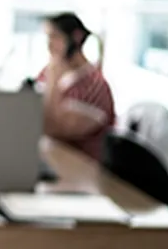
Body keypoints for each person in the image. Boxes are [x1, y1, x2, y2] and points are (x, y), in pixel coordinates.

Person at [36, 12, 115, 161]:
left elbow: (53, 129)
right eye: (48, 37)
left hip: (82, 170)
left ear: (76, 37)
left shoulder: (95, 86)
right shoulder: (45, 73)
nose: (49, 45)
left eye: (55, 37)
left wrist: (53, 81)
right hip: (52, 161)